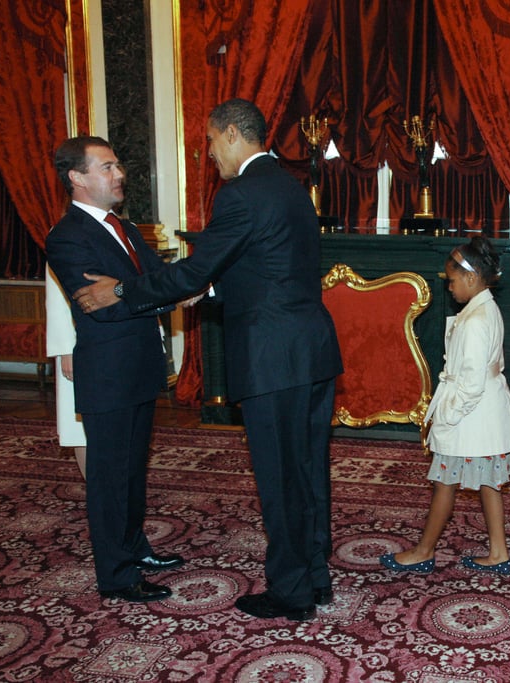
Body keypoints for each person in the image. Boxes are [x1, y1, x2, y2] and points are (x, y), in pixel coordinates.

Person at [72, 99, 343, 622]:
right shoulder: (291, 186)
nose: (210, 153)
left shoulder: (239, 194)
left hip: (273, 358)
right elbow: (267, 267)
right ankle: (315, 575)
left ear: (234, 134)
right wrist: (211, 290)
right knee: (308, 472)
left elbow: (195, 271)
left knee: (281, 477)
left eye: (213, 141)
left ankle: (291, 593)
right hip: (311, 350)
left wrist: (124, 290)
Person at [45, 136, 185, 604]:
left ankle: (134, 548)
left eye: (118, 164)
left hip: (139, 367)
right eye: (107, 166)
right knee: (109, 478)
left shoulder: (121, 227)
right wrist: (142, 289)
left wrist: (133, 288)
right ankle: (117, 575)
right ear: (77, 178)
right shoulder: (66, 236)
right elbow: (100, 307)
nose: (119, 173)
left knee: (132, 471)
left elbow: (153, 284)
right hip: (108, 373)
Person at [380, 237, 510, 576]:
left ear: (471, 277)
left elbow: (470, 385)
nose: (449, 287)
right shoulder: (483, 309)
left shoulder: (477, 320)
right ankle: (498, 552)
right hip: (484, 416)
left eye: (451, 280)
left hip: (469, 417)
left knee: (444, 485)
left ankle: (423, 551)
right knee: (490, 483)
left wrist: (446, 418)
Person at [46, 266, 86, 478]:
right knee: (78, 429)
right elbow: (56, 295)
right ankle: (97, 490)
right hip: (77, 346)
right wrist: (65, 350)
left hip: (120, 344)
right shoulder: (64, 233)